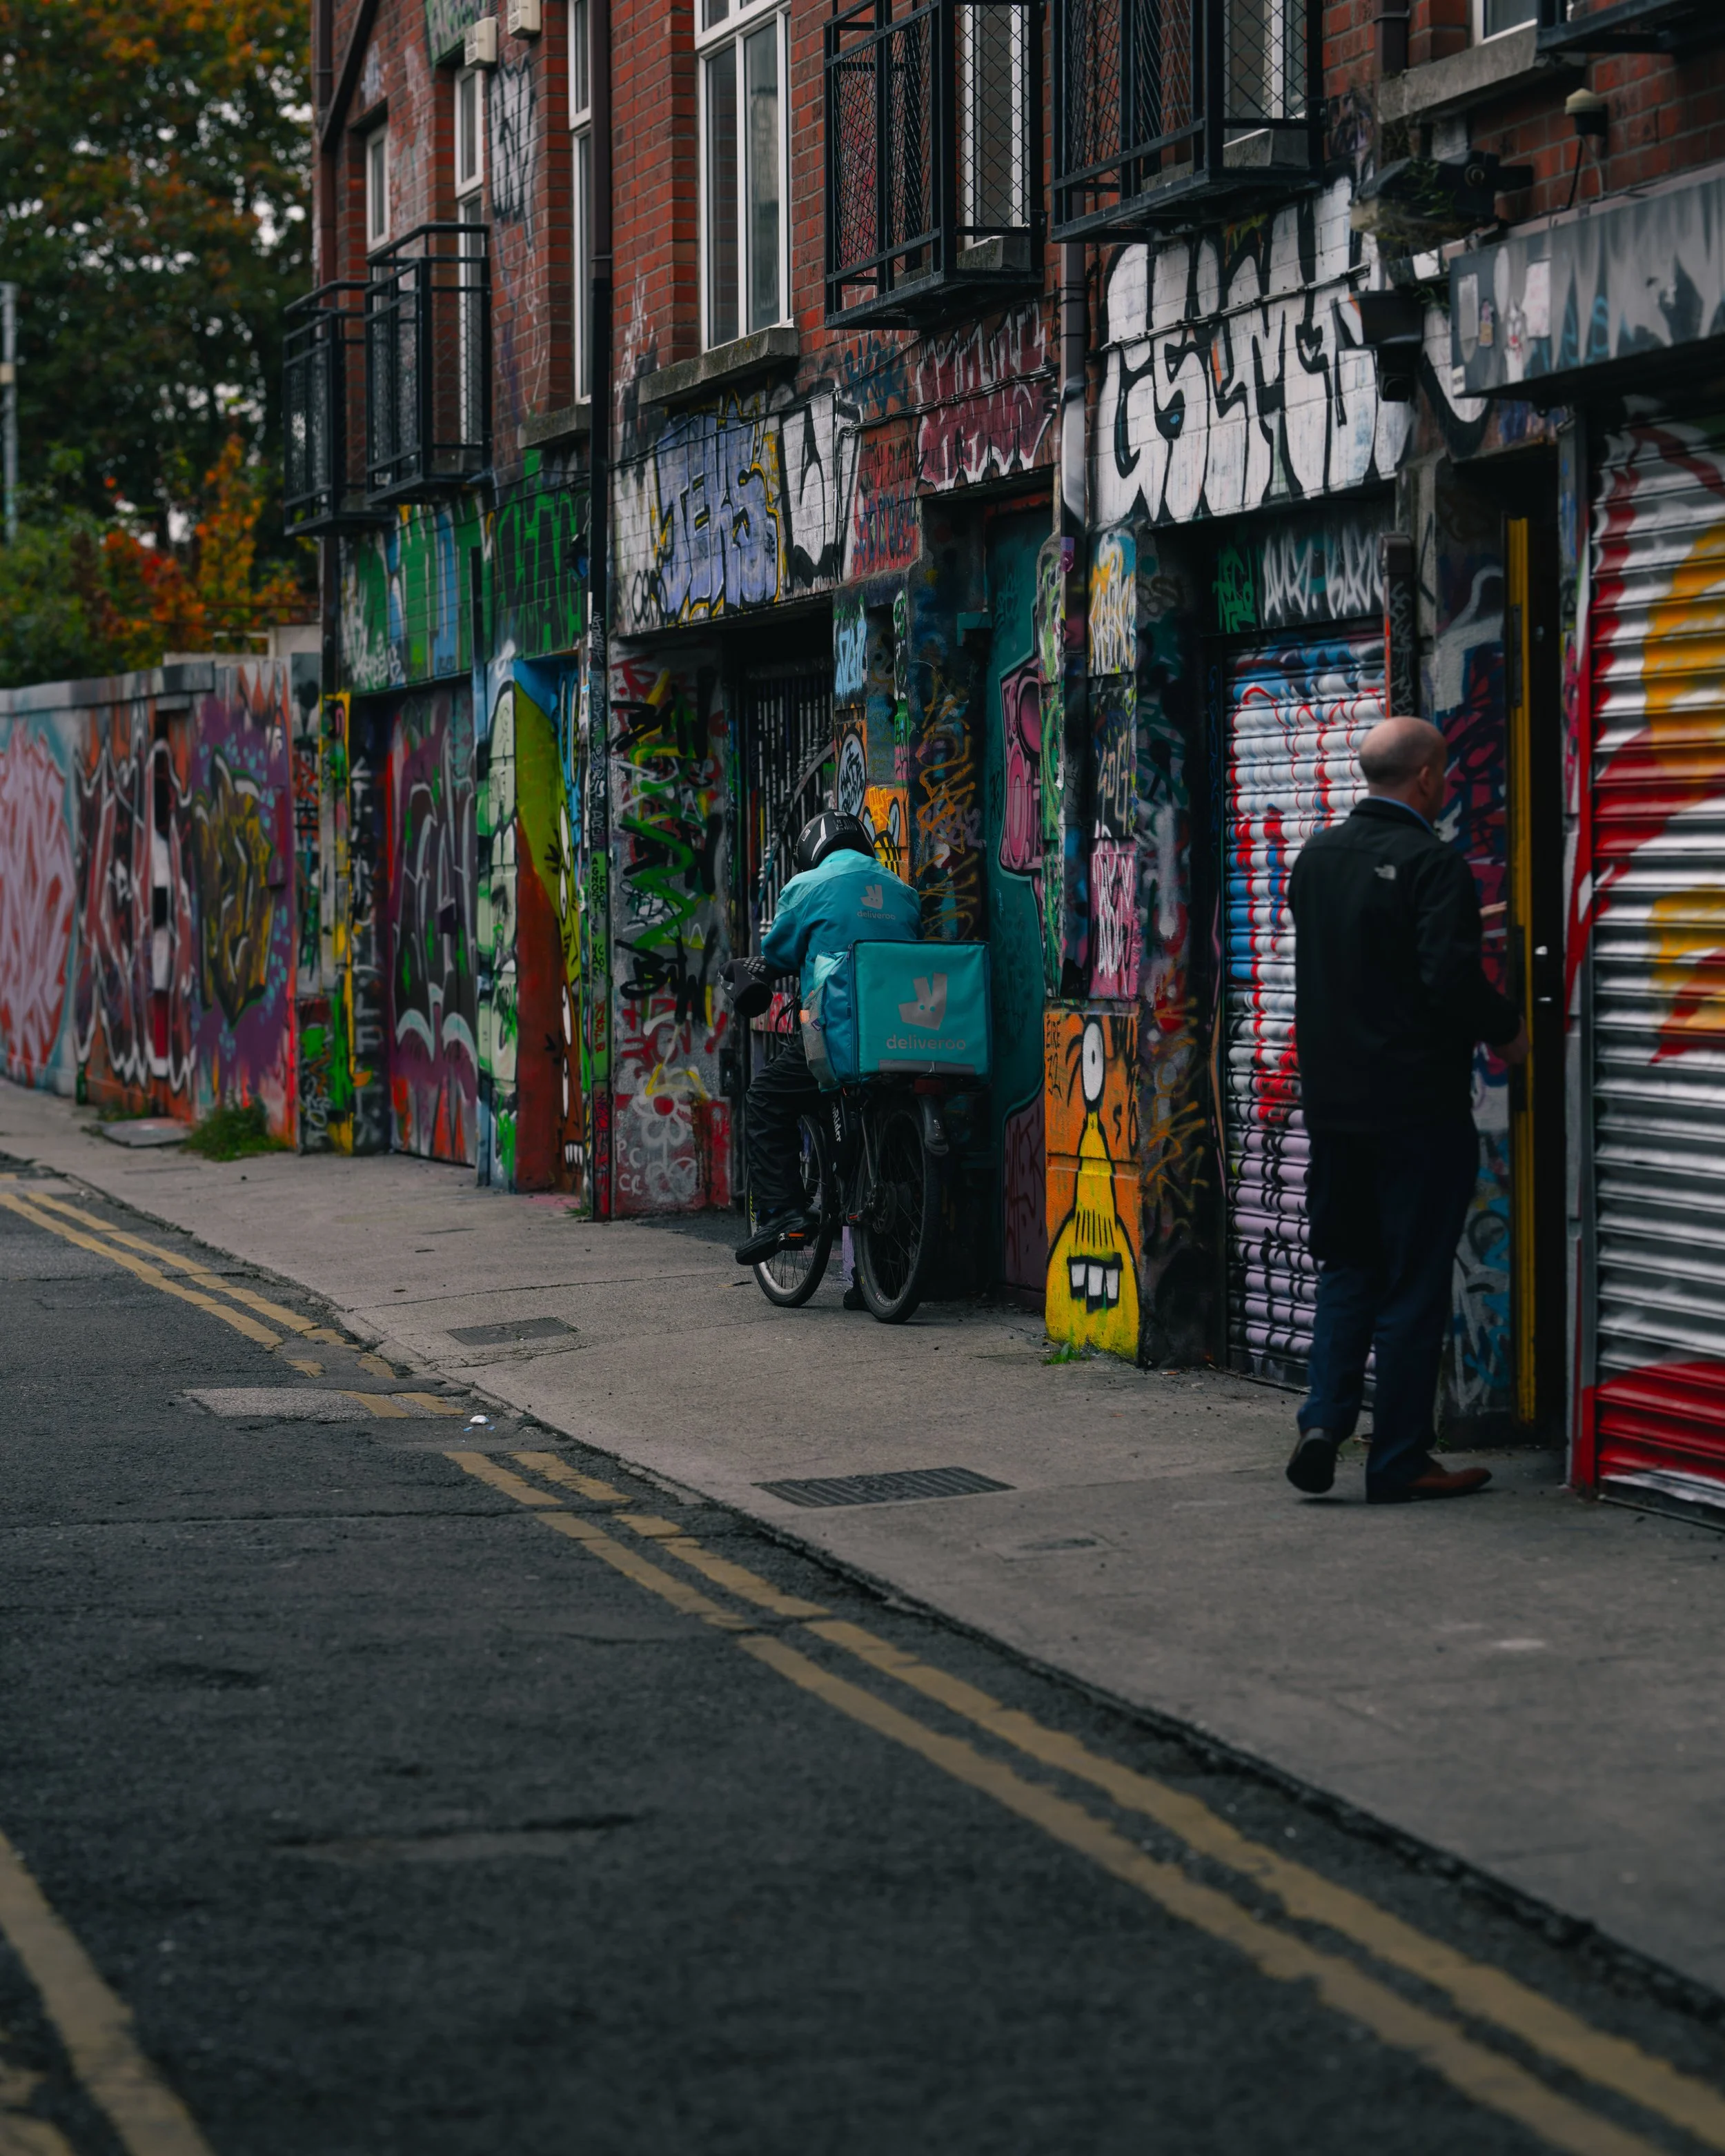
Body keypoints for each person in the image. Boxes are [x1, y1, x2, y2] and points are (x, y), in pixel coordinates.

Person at [1284, 715, 1529, 1504]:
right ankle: (1397, 1459)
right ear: (1426, 776)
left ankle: (1322, 1421)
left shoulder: (1315, 858)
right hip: (1416, 1113)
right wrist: (1509, 1033)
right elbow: (1448, 980)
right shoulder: (1432, 865)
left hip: (1333, 1111)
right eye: (1445, 771)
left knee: (1347, 1266)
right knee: (1415, 1284)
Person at [728, 809, 921, 1267]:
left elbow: (779, 953)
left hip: (835, 1036)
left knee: (764, 1098)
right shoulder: (905, 894)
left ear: (812, 850)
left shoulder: (806, 887)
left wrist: (758, 968)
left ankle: (783, 1213)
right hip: (903, 1033)